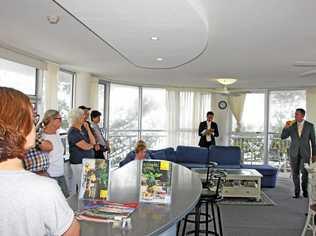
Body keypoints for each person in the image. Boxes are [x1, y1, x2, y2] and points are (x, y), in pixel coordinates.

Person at [0, 87, 79, 236]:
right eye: (33, 118)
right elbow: (71, 232)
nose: (35, 125)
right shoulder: (43, 189)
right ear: (18, 127)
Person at [281, 108, 316, 198]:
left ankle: (305, 191)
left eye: (297, 114)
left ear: (303, 115)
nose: (295, 116)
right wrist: (285, 127)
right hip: (293, 152)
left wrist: (314, 154)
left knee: (305, 173)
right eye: (295, 114)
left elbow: (313, 141)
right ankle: (296, 192)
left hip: (305, 153)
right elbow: (283, 137)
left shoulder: (310, 126)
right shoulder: (291, 125)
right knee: (295, 173)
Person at [41, 109, 69, 197]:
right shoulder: (43, 137)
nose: (61, 121)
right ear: (51, 120)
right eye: (59, 119)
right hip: (50, 176)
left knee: (66, 200)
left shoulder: (56, 133)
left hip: (60, 174)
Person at [68, 108, 96, 194]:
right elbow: (86, 147)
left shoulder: (82, 130)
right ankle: (81, 207)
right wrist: (91, 145)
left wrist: (87, 129)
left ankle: (88, 206)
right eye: (82, 116)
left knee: (89, 188)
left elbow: (93, 142)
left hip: (87, 162)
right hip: (79, 163)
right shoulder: (73, 132)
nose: (85, 118)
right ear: (77, 118)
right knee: (83, 189)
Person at [24, 109, 52, 176]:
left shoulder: (36, 132)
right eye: (33, 116)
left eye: (36, 116)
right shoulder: (20, 134)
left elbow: (49, 147)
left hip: (44, 173)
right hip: (31, 175)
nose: (35, 119)